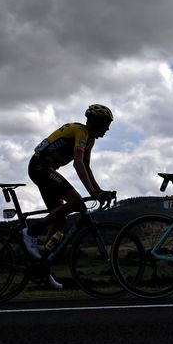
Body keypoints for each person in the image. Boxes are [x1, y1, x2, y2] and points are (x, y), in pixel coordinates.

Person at [23, 104, 116, 289]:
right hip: (40, 166)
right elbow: (78, 164)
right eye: (105, 124)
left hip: (44, 169)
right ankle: (31, 231)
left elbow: (87, 168)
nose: (107, 129)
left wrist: (99, 190)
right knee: (76, 201)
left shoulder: (89, 139)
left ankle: (44, 269)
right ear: (95, 122)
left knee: (59, 220)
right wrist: (93, 193)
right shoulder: (81, 131)